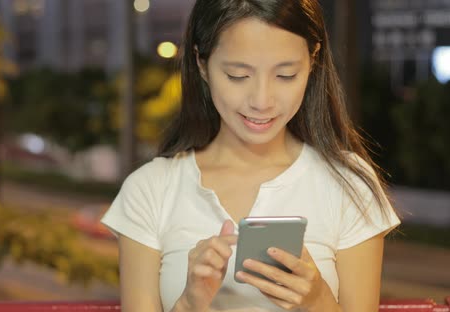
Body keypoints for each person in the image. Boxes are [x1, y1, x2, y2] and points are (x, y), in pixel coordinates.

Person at [101, 0, 400, 311]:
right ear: (201, 64)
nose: (261, 101)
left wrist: (318, 302)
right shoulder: (150, 191)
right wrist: (189, 304)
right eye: (237, 75)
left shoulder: (349, 185)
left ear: (313, 61)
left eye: (285, 75)